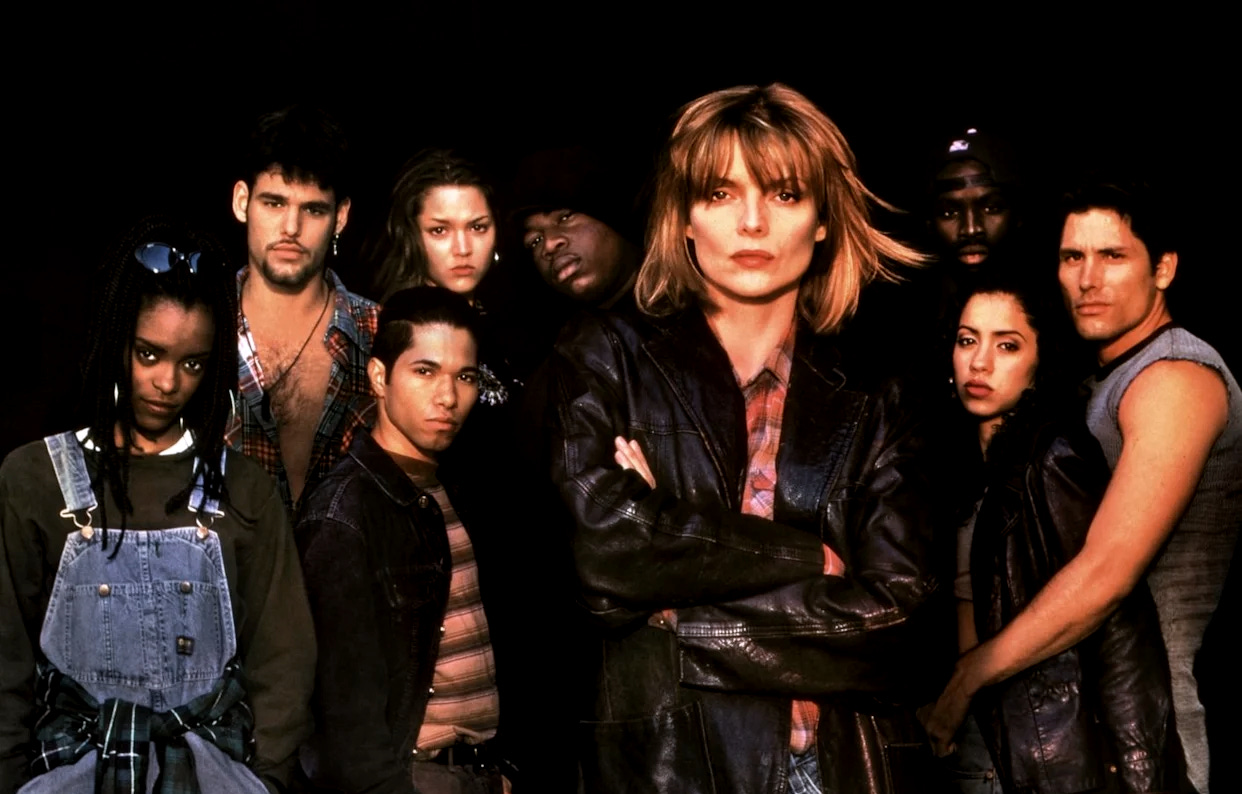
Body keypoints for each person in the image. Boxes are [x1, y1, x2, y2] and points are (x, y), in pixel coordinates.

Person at [545, 83, 942, 793]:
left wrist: (679, 605)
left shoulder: (880, 392)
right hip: (666, 766)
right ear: (684, 219)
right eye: (721, 194)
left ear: (822, 220)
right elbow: (604, 563)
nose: (752, 223)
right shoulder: (608, 357)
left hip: (836, 766)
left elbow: (904, 622)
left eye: (785, 194)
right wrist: (809, 558)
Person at [922, 180, 1241, 793]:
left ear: (1164, 268)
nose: (1088, 279)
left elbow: (1106, 575)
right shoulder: (1095, 386)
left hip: (1144, 741)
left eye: (1113, 256)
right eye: (1073, 258)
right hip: (1071, 729)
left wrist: (966, 678)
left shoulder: (1173, 377)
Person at [0, 218, 315, 793]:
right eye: (149, 354)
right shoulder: (35, 479)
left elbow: (285, 660)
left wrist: (261, 781)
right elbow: (6, 660)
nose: (167, 381)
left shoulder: (242, 492)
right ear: (116, 339)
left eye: (193, 363)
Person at [927, 275, 1184, 792]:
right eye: (967, 339)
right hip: (979, 742)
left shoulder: (1053, 460)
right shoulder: (959, 467)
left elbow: (1115, 620)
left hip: (1046, 750)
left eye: (1007, 345)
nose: (979, 363)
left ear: (1041, 362)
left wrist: (1141, 775)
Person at [296, 287, 514, 794]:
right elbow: (345, 731)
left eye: (464, 376)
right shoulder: (344, 516)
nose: (448, 396)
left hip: (479, 772)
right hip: (413, 779)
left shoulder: (458, 490)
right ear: (379, 377)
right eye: (424, 371)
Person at [228, 105, 380, 514]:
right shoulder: (194, 327)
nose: (291, 227)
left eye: (313, 209)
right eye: (274, 203)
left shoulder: (381, 333)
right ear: (243, 202)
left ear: (340, 217)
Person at [366, 149, 514, 405]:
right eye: (439, 230)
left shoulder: (507, 324)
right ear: (411, 237)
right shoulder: (389, 328)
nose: (463, 248)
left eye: (477, 227)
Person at [513, 146, 643, 313]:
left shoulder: (684, 293)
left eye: (565, 218)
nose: (549, 245)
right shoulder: (572, 337)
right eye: (535, 241)